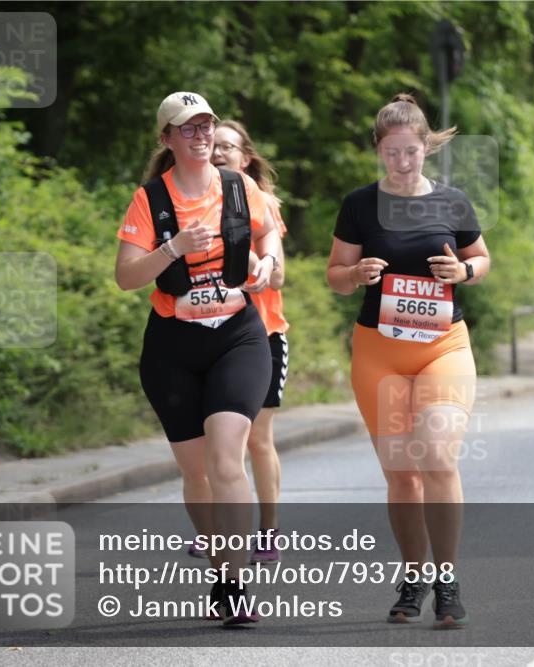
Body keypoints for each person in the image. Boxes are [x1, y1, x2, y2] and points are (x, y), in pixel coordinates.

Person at [115, 91, 280, 626]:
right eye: (187, 128)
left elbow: (270, 228)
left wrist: (268, 259)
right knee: (197, 475)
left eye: (206, 125)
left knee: (228, 455)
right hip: (173, 348)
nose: (201, 135)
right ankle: (219, 565)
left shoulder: (238, 186)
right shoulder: (149, 201)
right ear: (166, 138)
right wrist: (174, 248)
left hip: (238, 336)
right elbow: (126, 277)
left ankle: (236, 584)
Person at [326, 93, 490, 628]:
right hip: (379, 351)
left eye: (410, 152)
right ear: (379, 150)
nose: (401, 162)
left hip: (443, 346)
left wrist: (463, 274)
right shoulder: (358, 204)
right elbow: (334, 274)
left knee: (437, 457)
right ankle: (413, 575)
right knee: (401, 476)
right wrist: (356, 276)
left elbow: (481, 257)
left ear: (426, 148)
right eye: (391, 153)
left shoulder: (453, 202)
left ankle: (448, 579)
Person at [208, 119, 288, 562]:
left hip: (261, 333)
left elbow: (280, 275)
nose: (219, 153)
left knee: (255, 438)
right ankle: (218, 528)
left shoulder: (261, 203)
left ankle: (268, 528)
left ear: (246, 157)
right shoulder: (190, 200)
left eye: (228, 147)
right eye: (214, 146)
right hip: (210, 331)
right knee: (215, 440)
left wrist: (259, 261)